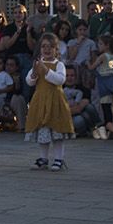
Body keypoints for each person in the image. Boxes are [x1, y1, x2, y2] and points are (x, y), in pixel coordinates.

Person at [26, 32, 74, 171]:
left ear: (56, 49)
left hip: (55, 101)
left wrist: (46, 71)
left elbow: (60, 80)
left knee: (57, 130)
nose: (47, 50)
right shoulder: (37, 64)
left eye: (50, 47)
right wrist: (34, 75)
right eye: (44, 46)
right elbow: (29, 81)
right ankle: (43, 158)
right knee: (43, 131)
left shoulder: (59, 65)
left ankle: (59, 159)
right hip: (41, 100)